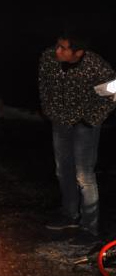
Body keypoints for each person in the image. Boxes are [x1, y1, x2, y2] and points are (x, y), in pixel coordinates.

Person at [38, 32, 115, 240]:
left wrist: (92, 118)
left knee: (84, 176)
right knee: (63, 170)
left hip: (85, 125)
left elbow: (113, 90)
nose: (58, 51)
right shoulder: (48, 59)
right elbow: (43, 85)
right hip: (60, 122)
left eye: (63, 48)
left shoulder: (95, 65)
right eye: (57, 45)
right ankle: (69, 214)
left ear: (78, 53)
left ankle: (89, 227)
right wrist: (49, 111)